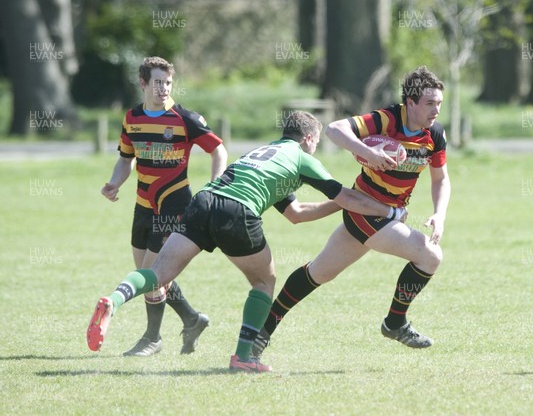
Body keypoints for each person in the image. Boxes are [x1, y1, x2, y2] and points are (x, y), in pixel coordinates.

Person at [87, 110, 407, 373]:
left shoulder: (261, 152)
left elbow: (296, 213)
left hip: (204, 200)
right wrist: (389, 210)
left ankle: (113, 301)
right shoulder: (300, 157)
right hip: (236, 211)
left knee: (158, 274)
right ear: (309, 138)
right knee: (264, 280)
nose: (316, 147)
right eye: (317, 142)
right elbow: (347, 196)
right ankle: (244, 356)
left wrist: (342, 203)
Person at [252, 66, 451, 361]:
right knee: (430, 256)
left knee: (319, 272)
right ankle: (395, 323)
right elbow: (335, 129)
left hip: (380, 214)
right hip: (365, 209)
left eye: (439, 104)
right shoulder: (387, 119)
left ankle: (261, 332)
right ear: (410, 102)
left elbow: (441, 179)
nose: (436, 110)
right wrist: (368, 152)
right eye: (430, 103)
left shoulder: (434, 135)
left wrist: (439, 214)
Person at [100, 56, 228, 356]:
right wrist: (115, 182)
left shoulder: (186, 119)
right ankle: (192, 319)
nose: (163, 88)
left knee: (153, 274)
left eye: (168, 82)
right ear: (143, 83)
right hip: (143, 205)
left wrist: (214, 186)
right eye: (157, 82)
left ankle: (152, 339)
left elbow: (219, 151)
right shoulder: (132, 118)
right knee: (150, 275)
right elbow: (126, 157)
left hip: (175, 204)